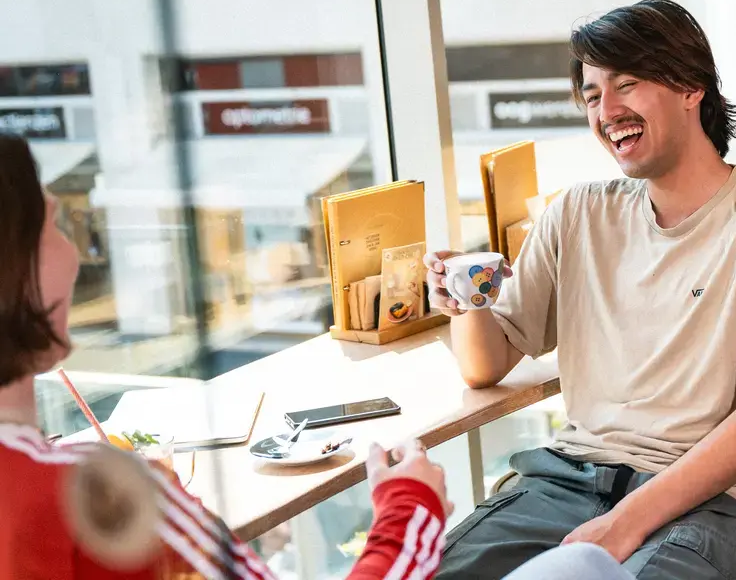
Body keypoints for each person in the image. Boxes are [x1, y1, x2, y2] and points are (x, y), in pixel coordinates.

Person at [426, 0, 736, 580]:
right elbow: (485, 366)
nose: (608, 110)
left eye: (627, 84)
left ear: (691, 86)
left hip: (715, 501)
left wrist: (626, 522)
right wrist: (467, 299)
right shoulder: (576, 213)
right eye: (593, 95)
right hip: (565, 481)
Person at [0, 133, 451, 580]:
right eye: (53, 227)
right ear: (15, 266)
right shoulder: (100, 498)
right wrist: (411, 511)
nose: (74, 254)